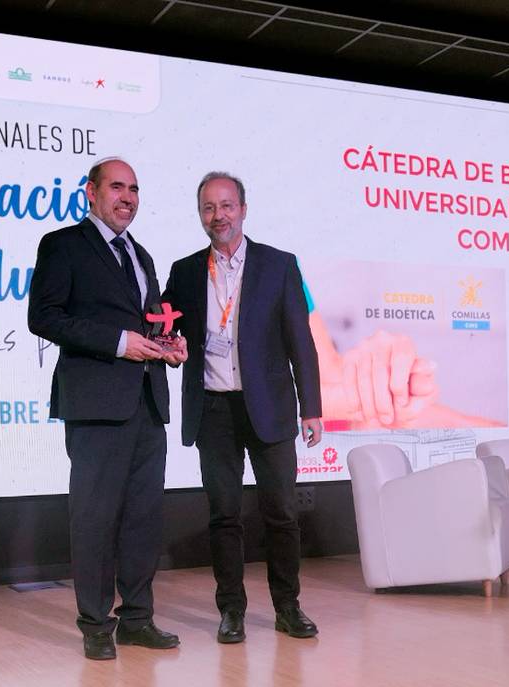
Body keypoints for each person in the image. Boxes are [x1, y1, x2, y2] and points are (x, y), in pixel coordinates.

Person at [28, 157, 187, 660]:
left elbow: (152, 323)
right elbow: (44, 316)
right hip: (97, 405)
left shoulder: (141, 255)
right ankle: (95, 624)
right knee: (95, 518)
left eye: (134, 189)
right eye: (117, 187)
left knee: (143, 518)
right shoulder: (63, 245)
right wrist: (119, 343)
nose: (128, 197)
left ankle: (137, 619)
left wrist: (170, 346)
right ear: (90, 193)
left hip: (146, 402)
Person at [162, 171, 322, 644]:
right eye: (209, 208)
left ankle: (288, 607)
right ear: (200, 215)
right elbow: (169, 331)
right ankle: (231, 610)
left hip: (270, 407)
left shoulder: (279, 265)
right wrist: (167, 345)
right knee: (224, 514)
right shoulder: (185, 270)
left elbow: (301, 341)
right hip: (213, 410)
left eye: (227, 206)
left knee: (281, 513)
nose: (219, 216)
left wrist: (310, 407)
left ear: (244, 210)